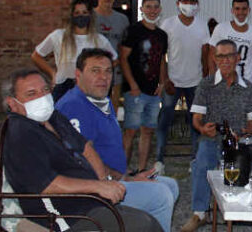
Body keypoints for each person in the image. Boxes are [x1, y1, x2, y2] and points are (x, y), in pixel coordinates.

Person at [1, 68, 162, 232]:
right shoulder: (20, 132)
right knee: (146, 225)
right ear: (12, 103)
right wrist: (97, 187)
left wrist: (104, 182)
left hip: (89, 201)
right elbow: (45, 184)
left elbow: (86, 148)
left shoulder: (53, 117)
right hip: (67, 217)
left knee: (154, 207)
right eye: (31, 93)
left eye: (45, 90)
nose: (41, 97)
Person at [56, 48, 179, 232]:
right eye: (95, 71)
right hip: (93, 192)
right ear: (78, 75)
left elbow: (109, 152)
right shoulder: (74, 105)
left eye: (108, 71)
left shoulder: (100, 100)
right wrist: (123, 179)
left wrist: (130, 176)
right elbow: (84, 163)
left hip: (115, 178)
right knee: (160, 195)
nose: (103, 77)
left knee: (171, 185)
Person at [181, 39, 252, 232]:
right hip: (212, 137)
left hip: (240, 139)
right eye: (220, 56)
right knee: (202, 160)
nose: (225, 60)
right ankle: (199, 213)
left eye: (229, 56)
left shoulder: (248, 87)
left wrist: (248, 129)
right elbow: (196, 118)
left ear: (238, 58)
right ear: (214, 58)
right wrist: (202, 129)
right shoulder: (206, 84)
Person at [155, 0, 210, 175]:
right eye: (185, 0)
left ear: (197, 4)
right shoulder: (167, 24)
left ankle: (194, 160)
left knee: (195, 123)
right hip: (172, 82)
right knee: (164, 121)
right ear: (178, 3)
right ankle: (159, 161)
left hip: (195, 82)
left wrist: (206, 81)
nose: (189, 4)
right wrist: (165, 80)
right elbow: (161, 56)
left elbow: (206, 56)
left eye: (192, 0)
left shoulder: (202, 26)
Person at [32, 0, 117, 101]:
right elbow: (36, 56)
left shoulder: (99, 39)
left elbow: (115, 59)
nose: (81, 15)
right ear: (72, 16)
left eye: (85, 12)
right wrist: (52, 73)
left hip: (89, 87)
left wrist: (99, 73)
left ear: (90, 15)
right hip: (63, 86)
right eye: (77, 13)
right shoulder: (58, 36)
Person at [119, 0, 167, 171]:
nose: (152, 10)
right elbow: (123, 58)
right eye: (148, 7)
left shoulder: (162, 35)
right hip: (135, 91)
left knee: (147, 131)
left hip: (153, 92)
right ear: (142, 9)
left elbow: (162, 59)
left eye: (155, 7)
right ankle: (122, 171)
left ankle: (141, 170)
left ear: (160, 9)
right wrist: (132, 85)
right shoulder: (133, 31)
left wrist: (162, 83)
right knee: (130, 131)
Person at [208, 0, 252, 90]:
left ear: (249, 10)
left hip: (245, 84)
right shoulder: (221, 29)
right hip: (222, 83)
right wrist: (214, 79)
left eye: (244, 9)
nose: (240, 12)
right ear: (232, 11)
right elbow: (211, 55)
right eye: (237, 9)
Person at [93, 0, 130, 109]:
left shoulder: (122, 19)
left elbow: (124, 46)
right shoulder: (89, 17)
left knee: (112, 107)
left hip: (115, 70)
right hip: (93, 71)